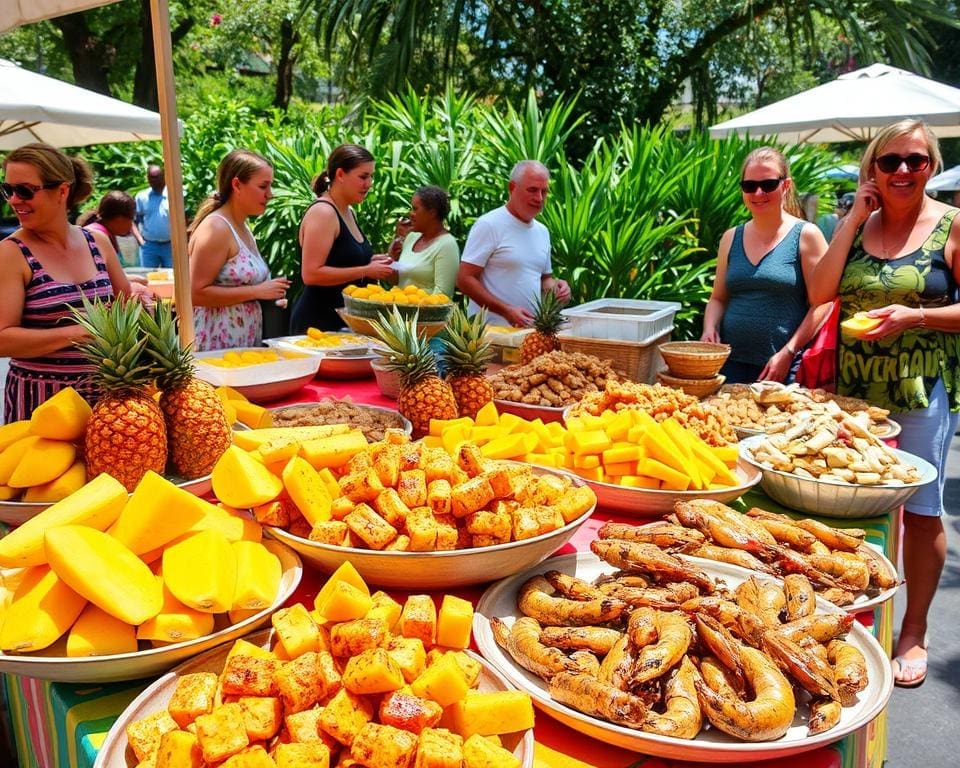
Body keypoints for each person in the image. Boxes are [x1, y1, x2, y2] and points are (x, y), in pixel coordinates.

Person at [809, 119, 960, 688]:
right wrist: (851, 218)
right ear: (871, 168)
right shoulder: (857, 225)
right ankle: (861, 617)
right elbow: (822, 292)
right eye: (890, 161)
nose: (902, 171)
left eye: (915, 161)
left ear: (932, 167)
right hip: (853, 394)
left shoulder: (951, 225)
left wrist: (914, 315)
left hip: (920, 390)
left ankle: (913, 630)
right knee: (860, 509)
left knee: (920, 513)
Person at [0, 142, 139, 421]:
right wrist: (79, 332)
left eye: (25, 190)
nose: (14, 200)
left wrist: (142, 299)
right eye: (8, 190)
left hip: (105, 400)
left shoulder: (96, 241)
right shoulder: (11, 253)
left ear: (62, 191)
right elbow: (3, 338)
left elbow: (125, 304)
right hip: (42, 404)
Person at [701, 146, 829, 383]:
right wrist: (709, 327)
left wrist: (789, 351)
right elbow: (718, 298)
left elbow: (822, 304)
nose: (758, 193)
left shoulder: (806, 235)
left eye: (768, 184)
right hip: (730, 364)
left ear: (786, 185)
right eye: (749, 186)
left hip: (783, 365)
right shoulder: (731, 237)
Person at [188, 149, 290, 352]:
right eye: (263, 186)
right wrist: (257, 291)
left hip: (240, 345)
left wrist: (268, 297)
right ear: (237, 185)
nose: (269, 195)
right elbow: (195, 293)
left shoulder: (241, 227)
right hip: (216, 348)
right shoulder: (216, 229)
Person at [289, 144, 395, 333]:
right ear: (340, 175)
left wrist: (371, 262)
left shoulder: (348, 211)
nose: (369, 183)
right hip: (319, 323)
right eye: (363, 176)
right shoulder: (323, 212)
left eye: (371, 176)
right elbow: (311, 274)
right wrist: (365, 270)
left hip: (342, 321)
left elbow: (342, 261)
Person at [456, 160, 570, 327]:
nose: (539, 198)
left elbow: (544, 279)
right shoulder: (489, 224)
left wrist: (558, 288)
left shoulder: (542, 231)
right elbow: (465, 279)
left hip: (529, 334)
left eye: (544, 192)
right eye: (532, 190)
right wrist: (506, 311)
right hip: (490, 336)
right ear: (512, 188)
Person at [391, 185, 460, 297]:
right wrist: (392, 258)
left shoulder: (447, 245)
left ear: (432, 213)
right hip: (400, 311)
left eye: (415, 209)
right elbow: (397, 281)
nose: (410, 214)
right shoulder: (411, 237)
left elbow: (443, 295)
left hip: (426, 313)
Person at [135, 164, 172, 268]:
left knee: (174, 278)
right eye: (151, 177)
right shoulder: (141, 197)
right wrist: (140, 240)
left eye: (157, 177)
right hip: (149, 246)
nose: (154, 181)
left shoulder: (174, 195)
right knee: (148, 277)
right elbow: (133, 221)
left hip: (170, 246)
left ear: (164, 176)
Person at [79, 190, 137, 256]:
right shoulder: (97, 236)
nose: (131, 226)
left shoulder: (101, 232)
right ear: (119, 218)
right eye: (132, 218)